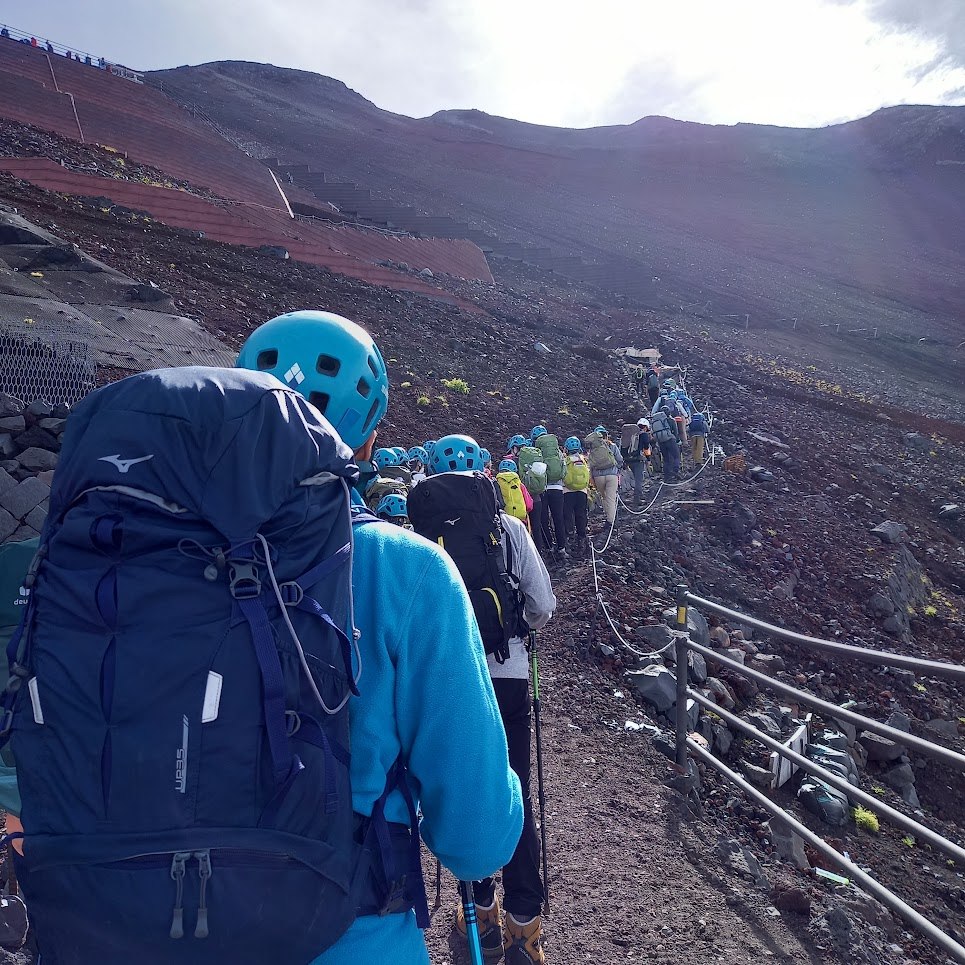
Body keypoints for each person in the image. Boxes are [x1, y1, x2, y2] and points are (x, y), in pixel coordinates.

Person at [0, 310, 522, 965]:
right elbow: (477, 840)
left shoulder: (123, 553)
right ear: (368, 442)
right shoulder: (408, 572)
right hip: (346, 939)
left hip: (116, 927)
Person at [420, 437, 555, 965]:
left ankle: (480, 914)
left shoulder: (419, 532)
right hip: (509, 674)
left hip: (450, 678)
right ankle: (525, 926)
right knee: (514, 788)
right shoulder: (508, 528)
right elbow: (543, 605)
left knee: (466, 791)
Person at [531, 426, 567, 563]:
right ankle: (562, 547)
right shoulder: (557, 451)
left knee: (544, 520)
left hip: (543, 490)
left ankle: (548, 547)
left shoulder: (536, 452)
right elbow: (564, 468)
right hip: (557, 488)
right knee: (558, 518)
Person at [562, 436, 590, 557]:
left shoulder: (566, 460)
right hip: (582, 491)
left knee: (568, 515)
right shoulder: (583, 459)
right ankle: (581, 538)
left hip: (567, 491)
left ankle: (569, 537)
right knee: (581, 514)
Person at [588, 426, 623, 525]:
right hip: (612, 475)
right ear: (606, 435)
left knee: (604, 497)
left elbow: (590, 465)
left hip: (598, 477)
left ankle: (608, 517)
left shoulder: (593, 449)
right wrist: (617, 469)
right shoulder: (612, 446)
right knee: (611, 499)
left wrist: (592, 477)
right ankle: (611, 521)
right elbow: (620, 460)